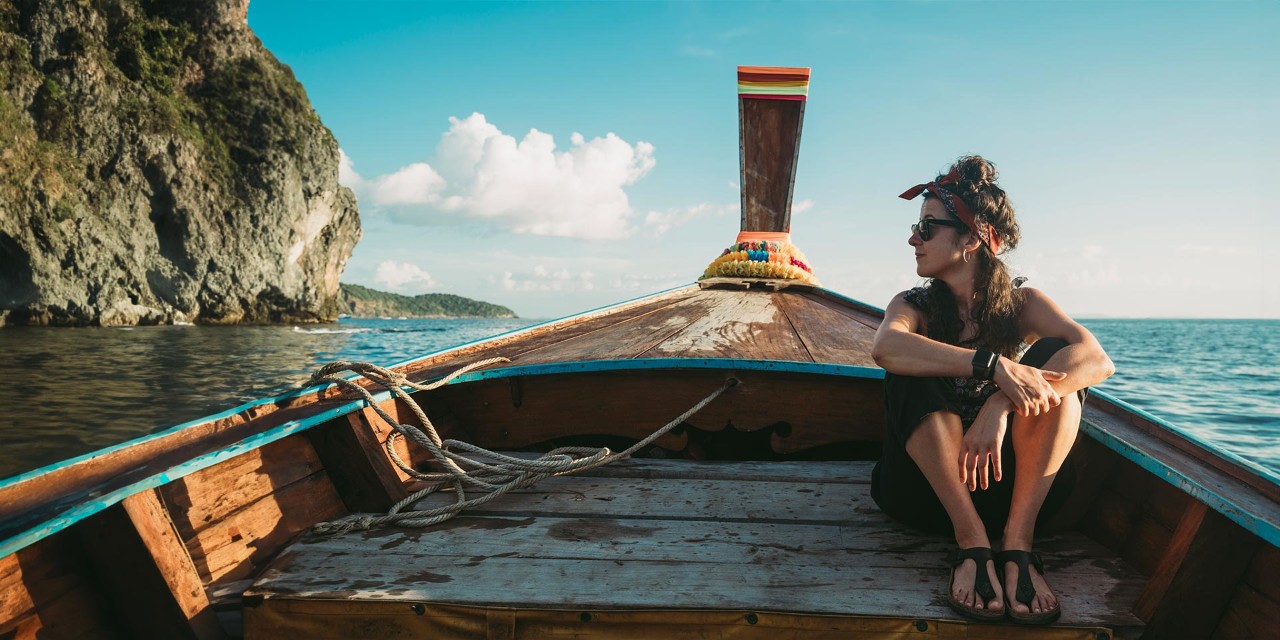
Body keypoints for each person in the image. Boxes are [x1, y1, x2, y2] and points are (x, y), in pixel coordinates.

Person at [869, 156, 1114, 625]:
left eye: (926, 228)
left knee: (1057, 360)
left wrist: (1001, 402)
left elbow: (1096, 358)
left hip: (1012, 497)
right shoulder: (912, 306)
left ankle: (1018, 546)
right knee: (910, 364)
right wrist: (993, 365)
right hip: (926, 497)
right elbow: (886, 347)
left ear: (971, 238)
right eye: (915, 229)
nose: (912, 239)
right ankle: (973, 545)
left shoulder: (1024, 303)